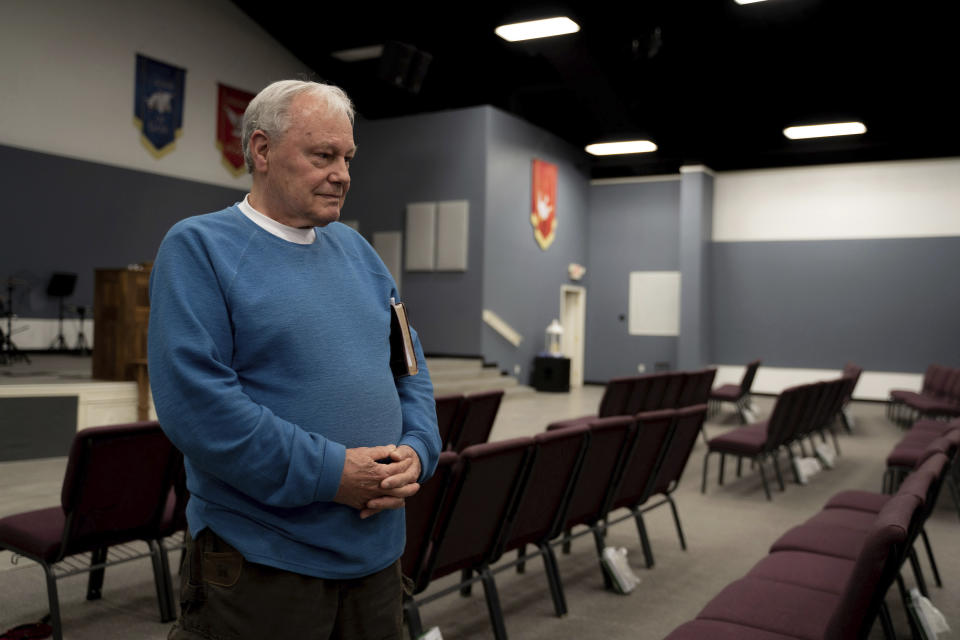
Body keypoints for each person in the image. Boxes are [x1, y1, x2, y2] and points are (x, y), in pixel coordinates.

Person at [148, 79, 441, 639]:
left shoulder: (362, 254)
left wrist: (418, 449)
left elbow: (409, 366)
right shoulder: (199, 248)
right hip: (263, 565)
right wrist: (333, 475)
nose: (343, 174)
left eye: (348, 158)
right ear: (261, 150)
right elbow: (199, 410)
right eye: (323, 155)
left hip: (377, 561)